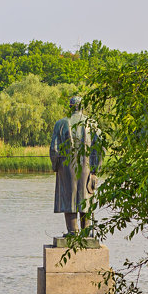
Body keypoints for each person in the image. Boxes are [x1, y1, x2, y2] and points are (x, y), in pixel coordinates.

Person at [49, 95, 104, 235]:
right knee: (85, 196)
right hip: (87, 168)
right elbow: (100, 148)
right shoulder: (92, 124)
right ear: (82, 107)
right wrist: (95, 170)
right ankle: (86, 232)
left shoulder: (60, 124)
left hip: (66, 168)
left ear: (70, 106)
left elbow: (54, 149)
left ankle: (73, 231)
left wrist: (56, 167)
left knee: (69, 197)